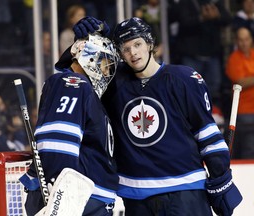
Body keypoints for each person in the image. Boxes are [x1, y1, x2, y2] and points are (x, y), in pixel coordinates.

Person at [63, 16, 243, 216]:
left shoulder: (183, 78)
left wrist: (220, 179)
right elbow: (69, 78)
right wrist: (88, 41)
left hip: (185, 191)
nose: (133, 53)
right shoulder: (113, 83)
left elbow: (207, 133)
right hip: (135, 196)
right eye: (126, 48)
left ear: (150, 43)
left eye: (138, 44)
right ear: (119, 54)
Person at [19, 33, 120, 216]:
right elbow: (57, 141)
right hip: (75, 201)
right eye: (105, 64)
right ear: (90, 57)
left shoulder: (84, 89)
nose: (106, 72)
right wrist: (60, 196)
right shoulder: (72, 83)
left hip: (86, 199)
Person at [173, 0, 232, 104]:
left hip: (212, 54)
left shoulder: (214, 2)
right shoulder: (186, 3)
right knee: (190, 87)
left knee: (213, 88)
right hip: (191, 55)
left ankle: (211, 113)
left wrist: (217, 15)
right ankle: (192, 114)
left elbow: (228, 19)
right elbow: (183, 22)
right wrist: (201, 18)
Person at [225, 27, 254, 159]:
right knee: (249, 150)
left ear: (251, 40)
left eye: (246, 39)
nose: (244, 43)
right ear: (236, 41)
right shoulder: (233, 58)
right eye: (241, 40)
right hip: (244, 113)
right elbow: (240, 82)